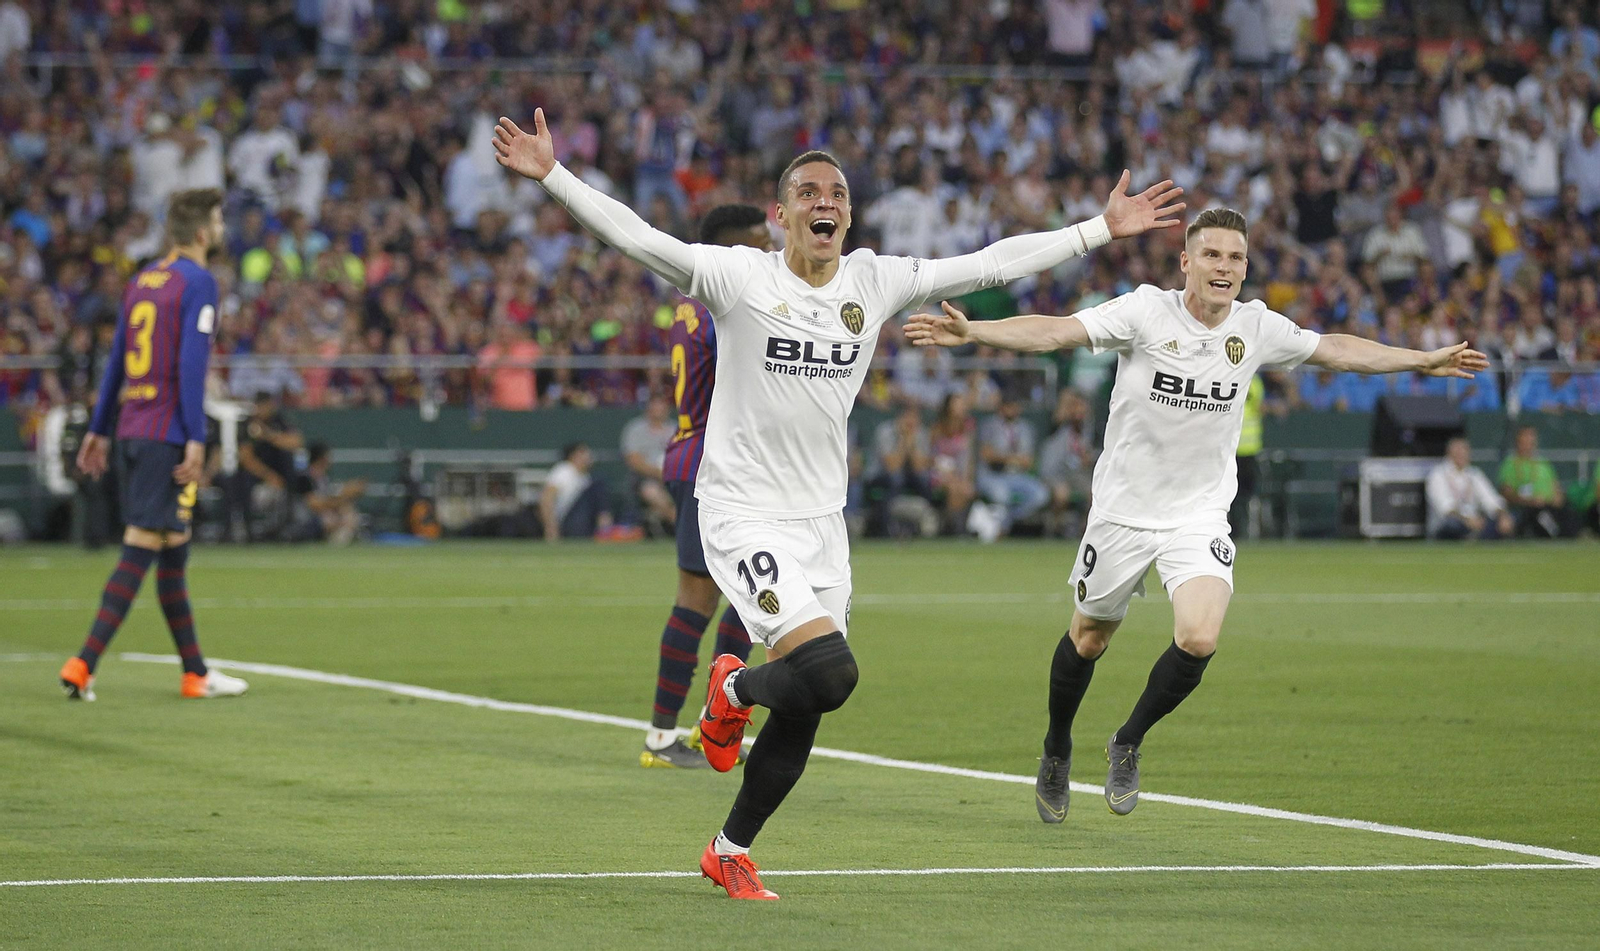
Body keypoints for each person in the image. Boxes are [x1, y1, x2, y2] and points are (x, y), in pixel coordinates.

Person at [493, 108, 1184, 898]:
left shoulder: (872, 280)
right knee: (830, 668)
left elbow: (990, 264)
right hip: (742, 511)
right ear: (781, 214)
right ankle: (728, 690)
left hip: (822, 523)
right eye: (809, 192)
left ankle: (729, 846)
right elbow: (639, 237)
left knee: (815, 698)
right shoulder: (740, 275)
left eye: (839, 194)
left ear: (848, 216)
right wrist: (553, 175)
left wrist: (1097, 228)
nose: (827, 202)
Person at [905, 207, 1488, 823]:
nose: (1225, 268)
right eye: (1212, 255)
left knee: (1200, 636)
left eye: (1235, 258)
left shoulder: (1255, 326)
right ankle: (1056, 748)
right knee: (1089, 637)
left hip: (1199, 514)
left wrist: (1419, 361)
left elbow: (1335, 350)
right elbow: (1056, 332)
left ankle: (1127, 741)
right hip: (1124, 510)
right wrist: (976, 335)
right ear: (1186, 262)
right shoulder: (1144, 312)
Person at [58, 188, 249, 702]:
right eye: (217, 220)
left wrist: (99, 427)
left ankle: (195, 673)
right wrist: (195, 436)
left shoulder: (143, 280)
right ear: (204, 232)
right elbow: (191, 367)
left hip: (131, 430)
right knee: (143, 543)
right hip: (166, 435)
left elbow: (117, 357)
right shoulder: (199, 282)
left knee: (172, 550)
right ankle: (83, 663)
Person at [640, 204, 769, 769]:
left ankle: (710, 730)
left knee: (744, 599)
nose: (770, 252)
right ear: (732, 249)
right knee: (701, 598)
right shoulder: (725, 307)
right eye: (760, 243)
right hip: (710, 465)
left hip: (711, 459)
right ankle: (663, 737)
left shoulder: (691, 307)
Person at [976, 395, 1050, 537]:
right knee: (1001, 495)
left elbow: (1028, 461)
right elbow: (987, 455)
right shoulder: (989, 425)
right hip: (993, 475)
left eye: (1014, 406)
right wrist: (1012, 458)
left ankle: (1007, 522)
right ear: (1001, 408)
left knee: (1041, 495)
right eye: (1008, 406)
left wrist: (1007, 458)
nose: (1012, 410)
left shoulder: (1026, 428)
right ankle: (998, 526)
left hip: (1017, 475)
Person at [1426, 437, 1514, 540]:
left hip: (1475, 523)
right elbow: (1446, 509)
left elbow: (1491, 500)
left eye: (1464, 451)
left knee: (1504, 520)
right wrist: (1467, 520)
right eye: (1457, 452)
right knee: (1453, 525)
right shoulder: (1437, 474)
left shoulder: (1474, 474)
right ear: (1449, 453)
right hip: (1447, 526)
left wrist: (1502, 516)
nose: (1461, 455)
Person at [1497, 426, 1573, 538]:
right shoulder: (1510, 464)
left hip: (1550, 506)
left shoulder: (1544, 463)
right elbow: (1507, 493)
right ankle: (1558, 535)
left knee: (1570, 513)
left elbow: (1556, 488)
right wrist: (1530, 501)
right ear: (1518, 442)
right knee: (1542, 517)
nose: (1529, 443)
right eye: (1525, 440)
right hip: (1529, 509)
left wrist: (1556, 498)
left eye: (1531, 440)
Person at [620, 394, 679, 536]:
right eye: (655, 406)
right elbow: (633, 460)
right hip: (645, 478)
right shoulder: (636, 429)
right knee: (650, 491)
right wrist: (658, 473)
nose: (658, 409)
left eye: (662, 406)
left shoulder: (675, 429)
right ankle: (678, 522)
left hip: (674, 475)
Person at [287, 441, 367, 545]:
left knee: (347, 511)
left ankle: (342, 539)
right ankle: (338, 540)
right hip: (305, 520)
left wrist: (346, 496)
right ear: (321, 458)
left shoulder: (324, 478)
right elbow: (315, 505)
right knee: (330, 519)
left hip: (322, 515)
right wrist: (344, 497)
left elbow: (328, 499)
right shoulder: (304, 478)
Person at [540, 442, 612, 541]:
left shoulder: (586, 477)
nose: (589, 456)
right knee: (597, 485)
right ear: (573, 456)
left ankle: (605, 532)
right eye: (583, 452)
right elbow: (546, 499)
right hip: (567, 523)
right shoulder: (564, 470)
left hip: (586, 525)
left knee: (598, 484)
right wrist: (551, 527)